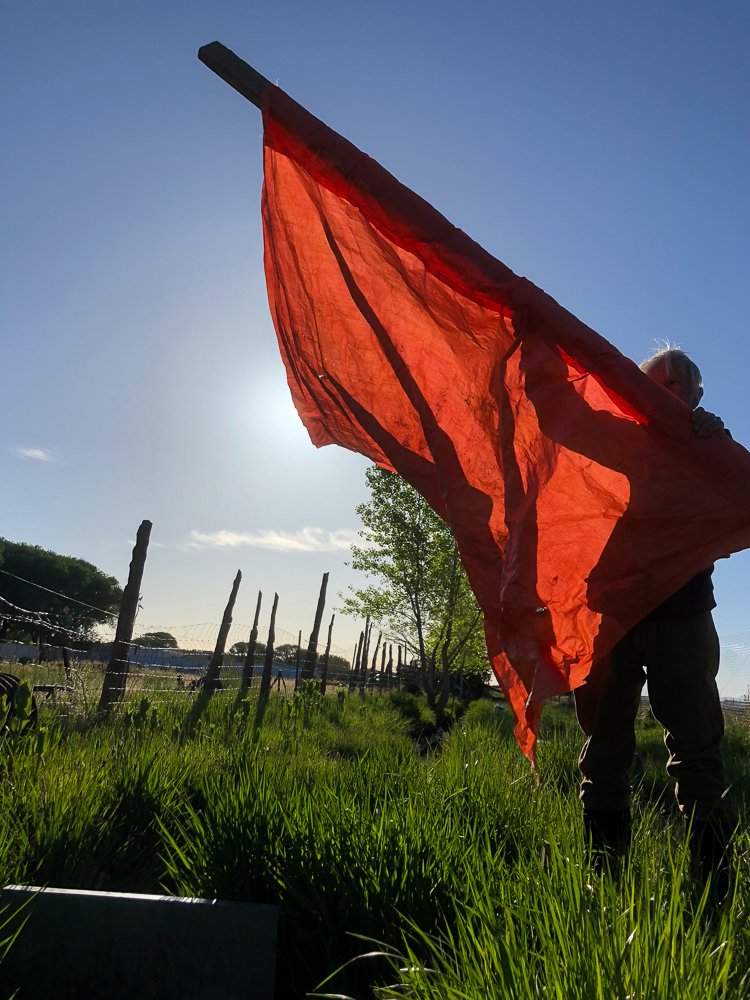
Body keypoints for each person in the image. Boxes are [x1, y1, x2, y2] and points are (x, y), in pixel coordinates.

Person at [574, 346, 735, 891]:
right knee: (604, 751)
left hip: (683, 619)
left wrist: (715, 439)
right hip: (615, 619)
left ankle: (712, 892)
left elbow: (733, 495)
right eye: (651, 384)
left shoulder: (708, 445)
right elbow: (565, 423)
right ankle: (604, 884)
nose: (663, 392)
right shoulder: (620, 441)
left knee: (697, 751)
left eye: (675, 383)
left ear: (696, 395)